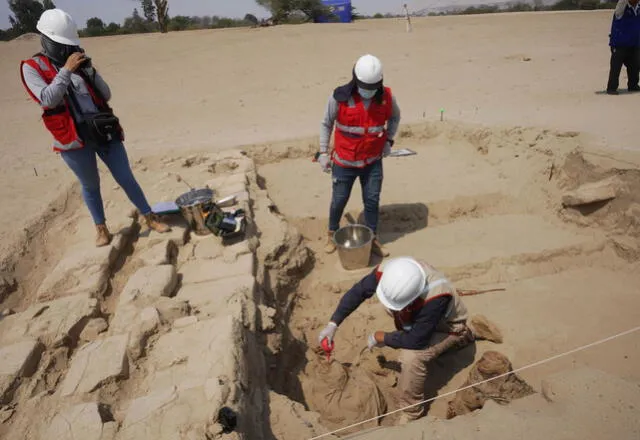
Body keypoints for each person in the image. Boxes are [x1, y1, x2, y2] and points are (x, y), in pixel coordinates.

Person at [20, 9, 170, 247]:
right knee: (90, 185)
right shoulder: (31, 67)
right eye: (61, 44)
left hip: (103, 130)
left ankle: (149, 215)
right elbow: (47, 99)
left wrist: (89, 71)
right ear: (46, 40)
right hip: (71, 138)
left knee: (125, 177)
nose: (66, 49)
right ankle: (101, 228)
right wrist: (66, 71)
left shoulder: (79, 62)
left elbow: (106, 94)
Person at [317, 257, 475, 424]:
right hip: (423, 318)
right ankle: (451, 336)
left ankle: (412, 412)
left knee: (411, 357)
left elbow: (416, 341)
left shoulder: (436, 296)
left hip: (447, 326)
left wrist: (382, 337)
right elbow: (359, 292)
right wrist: (333, 324)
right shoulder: (391, 271)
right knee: (398, 317)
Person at [318, 54, 401, 257]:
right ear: (355, 80)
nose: (368, 92)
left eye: (373, 88)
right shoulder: (339, 97)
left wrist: (389, 141)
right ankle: (331, 232)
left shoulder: (387, 97)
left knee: (372, 201)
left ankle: (372, 238)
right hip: (344, 162)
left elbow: (395, 117)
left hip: (372, 162)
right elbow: (326, 123)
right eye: (365, 87)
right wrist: (323, 152)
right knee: (339, 200)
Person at [607, 0, 640, 95]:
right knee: (616, 67)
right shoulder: (621, 7)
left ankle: (633, 85)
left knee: (635, 65)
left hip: (635, 43)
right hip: (619, 44)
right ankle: (611, 88)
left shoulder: (638, 7)